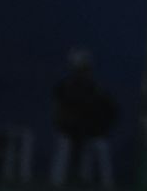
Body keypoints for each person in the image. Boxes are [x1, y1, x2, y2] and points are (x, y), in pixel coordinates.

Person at [50, 48, 118, 187]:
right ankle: (57, 182)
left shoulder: (94, 87)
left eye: (84, 67)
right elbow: (60, 107)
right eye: (79, 67)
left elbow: (109, 108)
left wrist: (100, 125)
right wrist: (64, 123)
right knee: (64, 147)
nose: (82, 71)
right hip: (70, 129)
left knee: (99, 148)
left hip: (90, 129)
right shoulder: (66, 85)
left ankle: (104, 182)